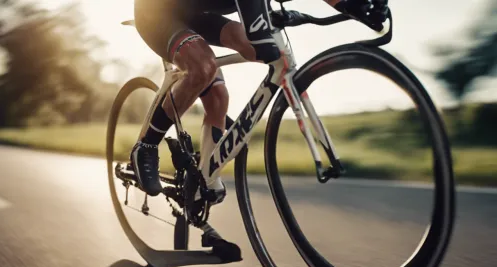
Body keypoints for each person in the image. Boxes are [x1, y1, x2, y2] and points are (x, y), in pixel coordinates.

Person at [131, 0, 388, 201]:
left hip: (197, 12)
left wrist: (361, 8)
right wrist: (261, 35)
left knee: (220, 94)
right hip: (156, 11)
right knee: (203, 67)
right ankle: (146, 146)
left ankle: (203, 177)